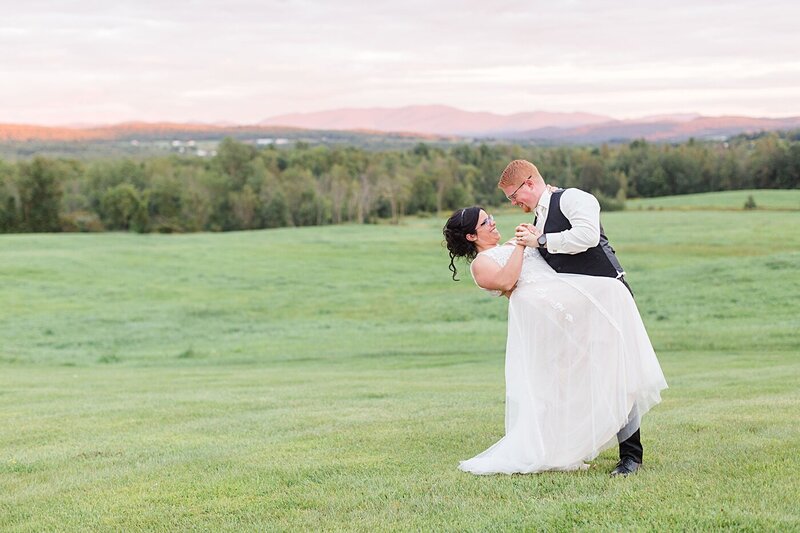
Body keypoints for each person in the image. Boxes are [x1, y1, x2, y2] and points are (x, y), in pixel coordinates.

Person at [443, 206, 667, 475]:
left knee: (607, 359)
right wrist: (521, 247)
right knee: (556, 389)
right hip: (547, 323)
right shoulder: (482, 264)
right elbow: (507, 280)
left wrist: (533, 237)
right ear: (471, 236)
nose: (493, 222)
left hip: (570, 308)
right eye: (485, 222)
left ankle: (624, 449)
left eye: (490, 217)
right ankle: (560, 450)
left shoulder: (514, 245)